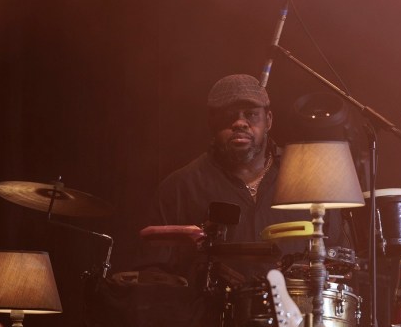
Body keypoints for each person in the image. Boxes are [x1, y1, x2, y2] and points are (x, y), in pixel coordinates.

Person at [145, 73, 342, 279]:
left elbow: (339, 263)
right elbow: (153, 274)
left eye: (251, 114)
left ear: (268, 120)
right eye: (228, 116)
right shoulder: (179, 189)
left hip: (299, 301)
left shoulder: (310, 177)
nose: (240, 123)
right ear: (211, 123)